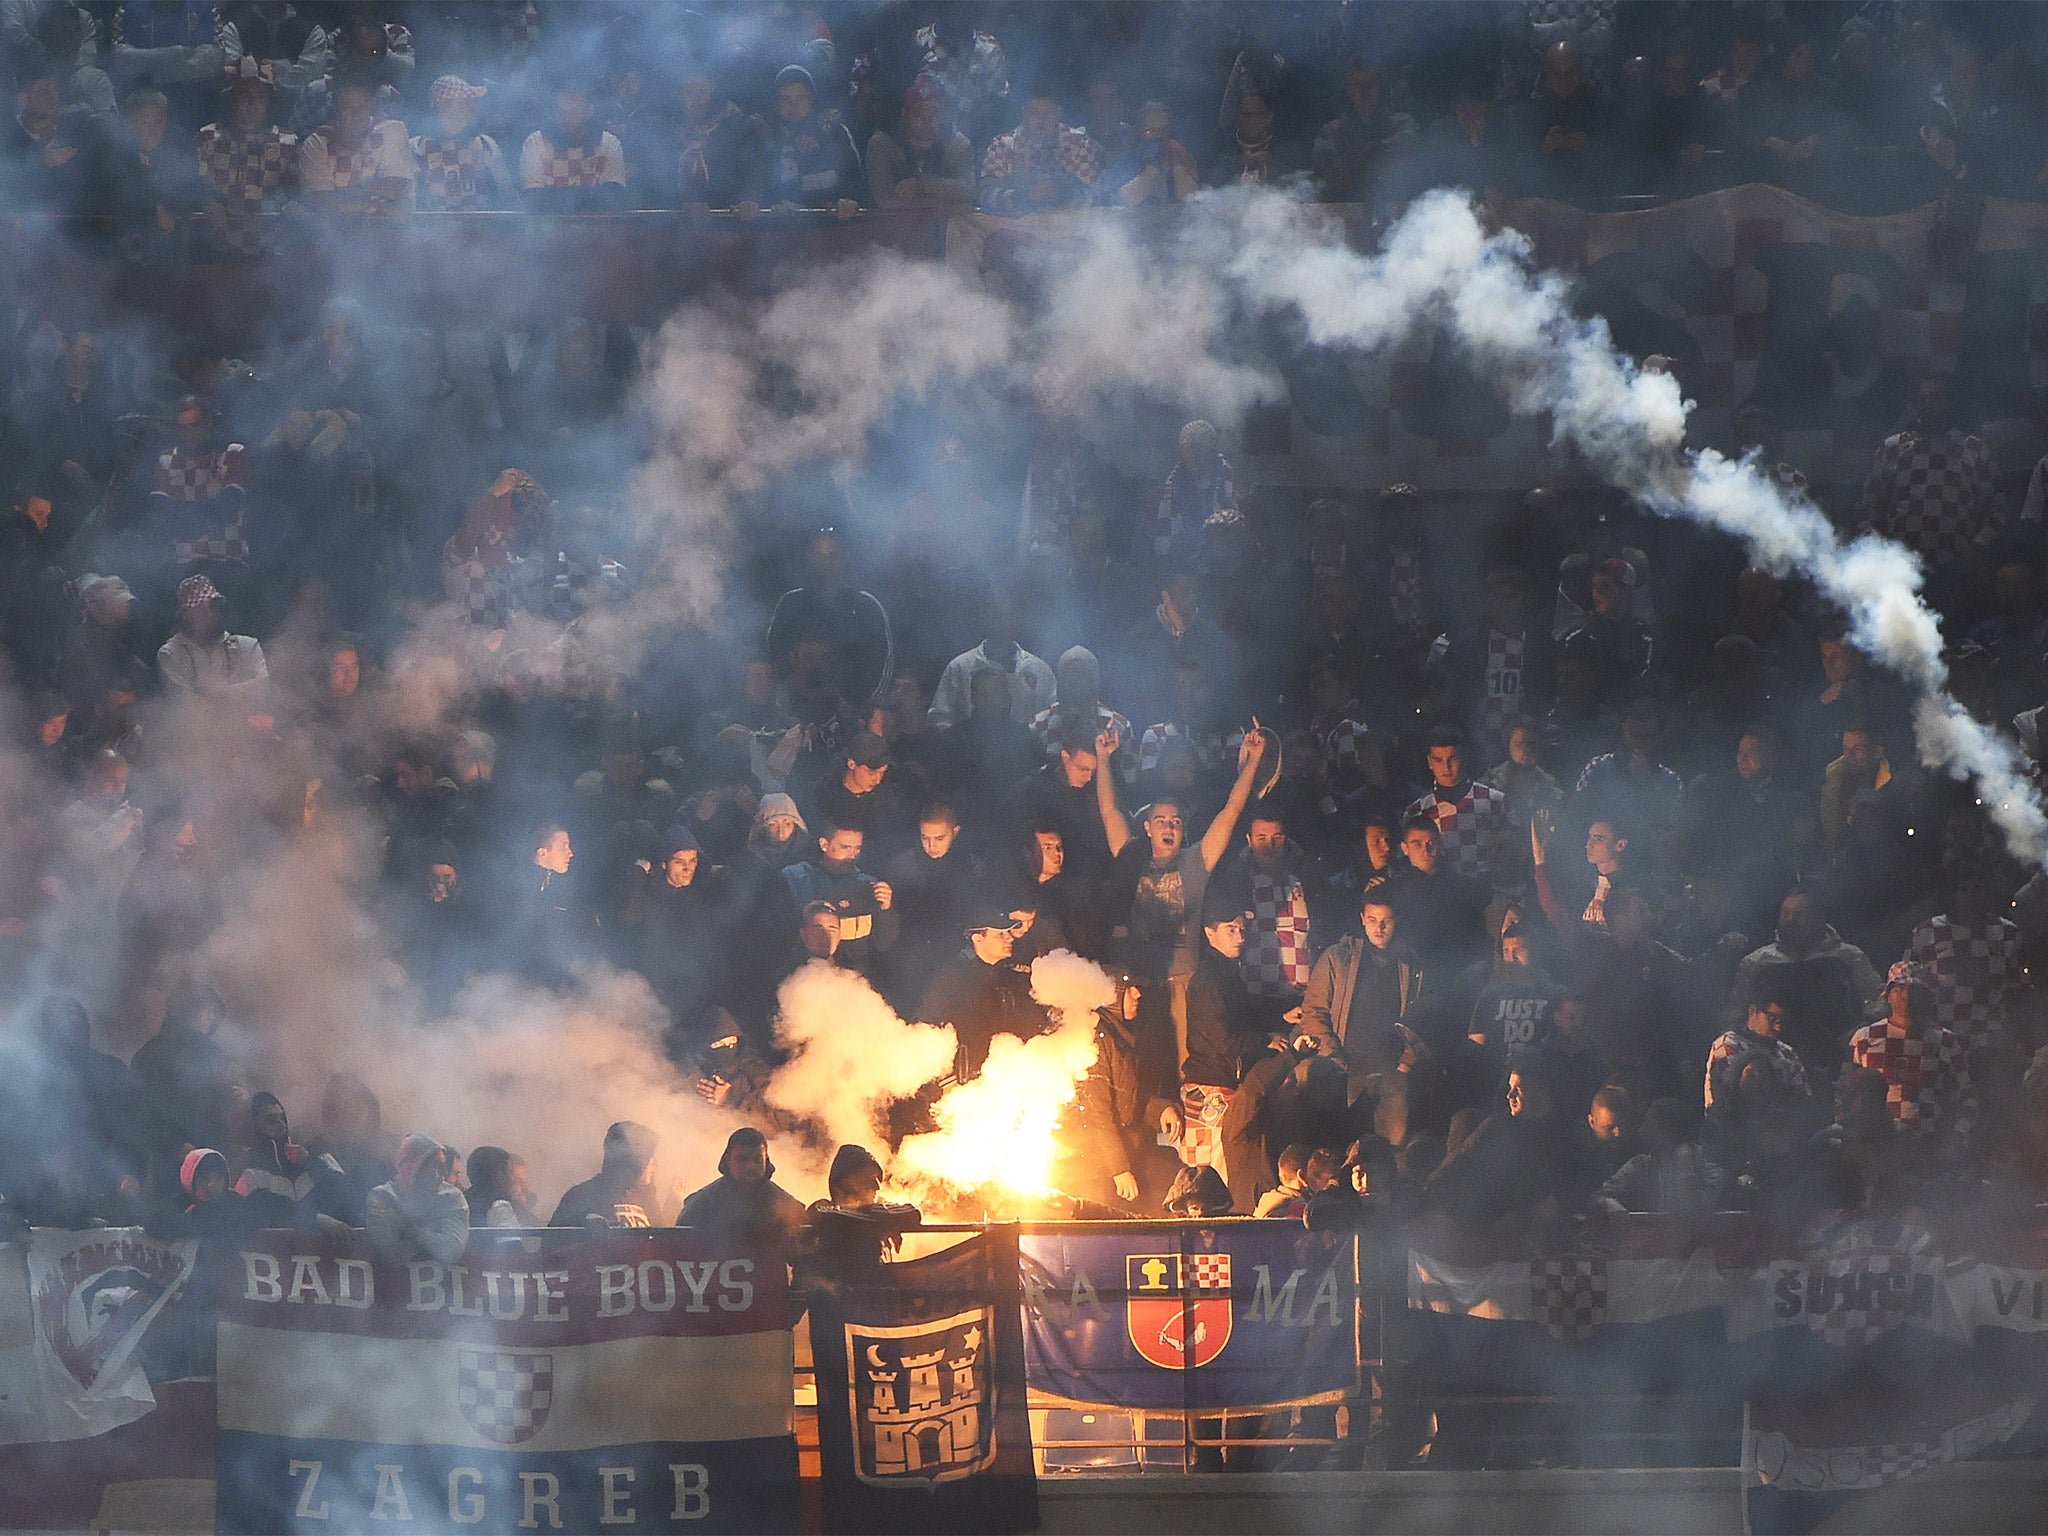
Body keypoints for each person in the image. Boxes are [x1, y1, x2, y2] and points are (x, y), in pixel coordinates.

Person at [1300, 893, 1426, 1146]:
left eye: (1386, 921)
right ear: (1362, 919)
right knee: (1340, 1144)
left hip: (1391, 1069)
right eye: (1372, 920)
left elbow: (1419, 1020)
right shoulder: (1338, 957)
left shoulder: (1410, 964)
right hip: (1345, 1065)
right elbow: (1314, 1011)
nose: (1379, 928)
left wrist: (1405, 1065)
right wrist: (1332, 1054)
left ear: (1396, 921)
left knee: (1390, 1148)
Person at [1849, 961, 1976, 1146]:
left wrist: (1957, 1137)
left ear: (1927, 997)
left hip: (1928, 1144)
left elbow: (1967, 1095)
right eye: (1900, 989)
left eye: (1914, 991)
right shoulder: (1864, 1039)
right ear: (1888, 995)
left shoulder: (1946, 1042)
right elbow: (1845, 1090)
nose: (1906, 997)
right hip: (1876, 1143)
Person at [781, 819, 897, 979]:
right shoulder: (796, 879)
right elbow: (780, 936)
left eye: (857, 848)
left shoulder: (868, 886)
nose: (852, 855)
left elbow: (883, 944)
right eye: (845, 847)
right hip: (804, 980)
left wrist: (886, 910)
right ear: (824, 844)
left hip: (854, 983)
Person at [299, 70, 415, 211]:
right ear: (336, 109)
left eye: (362, 108)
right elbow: (321, 203)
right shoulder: (317, 144)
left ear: (372, 107)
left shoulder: (392, 131)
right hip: (337, 230)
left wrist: (344, 196)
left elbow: (394, 189)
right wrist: (373, 189)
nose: (356, 116)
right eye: (348, 109)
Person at [979, 84, 1100, 213]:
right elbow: (986, 195)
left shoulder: (1079, 143)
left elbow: (1094, 195)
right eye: (1034, 113)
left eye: (1047, 113)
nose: (1040, 120)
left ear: (1058, 113)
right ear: (1024, 112)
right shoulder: (1003, 145)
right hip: (1016, 229)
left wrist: (1063, 194)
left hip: (1069, 228)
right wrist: (1022, 197)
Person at [678, 1127, 806, 1247]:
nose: (751, 1166)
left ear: (766, 1160)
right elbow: (679, 1244)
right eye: (742, 1159)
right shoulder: (703, 1204)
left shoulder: (785, 1206)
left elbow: (804, 1249)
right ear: (728, 1160)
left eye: (757, 1159)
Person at [763, 63, 863, 213]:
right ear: (777, 103)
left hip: (833, 227)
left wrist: (850, 202)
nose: (793, 105)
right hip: (783, 229)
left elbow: (855, 181)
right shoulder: (769, 139)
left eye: (800, 98)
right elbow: (762, 188)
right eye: (786, 99)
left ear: (812, 99)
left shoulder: (834, 132)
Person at [520, 75, 626, 212]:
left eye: (574, 112)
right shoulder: (536, 143)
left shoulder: (608, 144)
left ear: (589, 112)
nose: (567, 119)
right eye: (562, 112)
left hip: (597, 231)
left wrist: (557, 196)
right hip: (548, 231)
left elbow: (613, 198)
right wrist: (589, 195)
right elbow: (533, 200)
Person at [866, 74, 973, 208]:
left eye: (934, 114)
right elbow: (885, 200)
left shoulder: (956, 144)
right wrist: (945, 204)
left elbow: (969, 190)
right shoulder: (884, 143)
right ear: (905, 115)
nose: (927, 121)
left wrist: (922, 184)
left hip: (946, 228)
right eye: (918, 114)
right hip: (893, 226)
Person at [364, 1134, 470, 1264]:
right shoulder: (382, 1197)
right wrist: (432, 1239)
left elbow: (450, 1251)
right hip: (395, 1282)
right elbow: (391, 1253)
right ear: (410, 1167)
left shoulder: (452, 1197)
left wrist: (407, 1228)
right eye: (435, 1166)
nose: (442, 1174)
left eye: (443, 1166)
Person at [410, 74, 510, 211]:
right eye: (466, 101)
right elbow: (409, 202)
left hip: (482, 230)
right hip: (432, 231)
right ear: (443, 105)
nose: (473, 107)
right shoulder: (417, 147)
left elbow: (508, 197)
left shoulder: (486, 144)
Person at [550, 1120, 670, 1228]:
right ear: (635, 1160)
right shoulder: (581, 1196)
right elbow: (551, 1241)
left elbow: (668, 1246)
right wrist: (584, 1223)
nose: (655, 1165)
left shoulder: (648, 1202)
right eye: (651, 1157)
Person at [465, 1145, 537, 1229]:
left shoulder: (462, 1202)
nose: (511, 1178)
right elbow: (511, 1241)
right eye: (509, 1171)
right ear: (498, 1174)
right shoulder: (500, 1206)